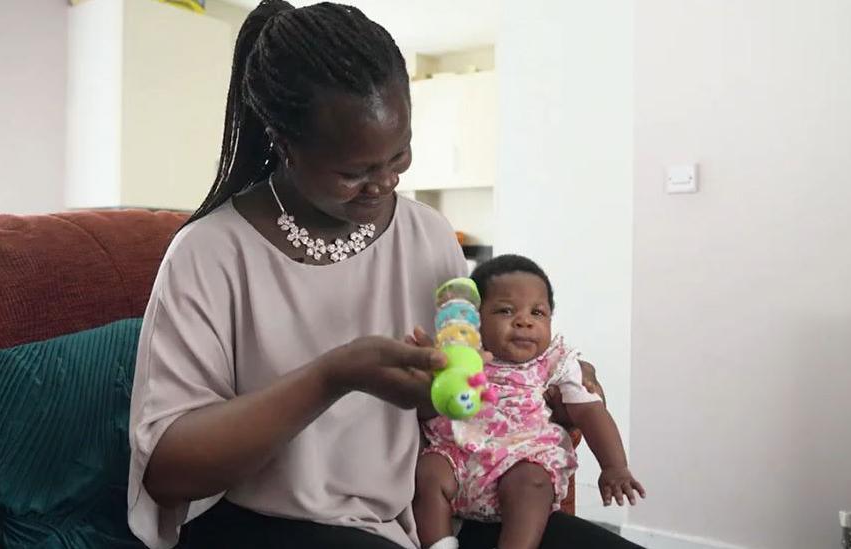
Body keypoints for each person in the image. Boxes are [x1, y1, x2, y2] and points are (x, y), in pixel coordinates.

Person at [127, 1, 644, 548]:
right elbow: (168, 472)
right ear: (283, 143)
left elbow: (452, 398)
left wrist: (539, 374)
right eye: (354, 172)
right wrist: (335, 376)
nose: (383, 185)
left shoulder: (429, 237)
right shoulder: (208, 253)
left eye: (399, 157)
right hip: (266, 524)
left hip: (418, 514)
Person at [414, 255, 645, 549]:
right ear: (475, 317)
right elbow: (426, 401)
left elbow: (589, 410)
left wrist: (614, 466)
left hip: (521, 458)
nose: (524, 321)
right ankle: (440, 545)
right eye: (506, 310)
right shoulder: (462, 354)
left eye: (538, 313)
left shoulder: (555, 361)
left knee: (534, 482)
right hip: (458, 456)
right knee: (428, 472)